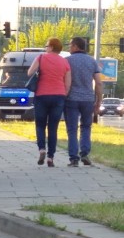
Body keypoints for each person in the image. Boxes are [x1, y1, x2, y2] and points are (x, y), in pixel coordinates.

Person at [27, 38, 71, 168]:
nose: (45, 48)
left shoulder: (41, 58)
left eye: (46, 46)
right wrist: (64, 94)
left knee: (40, 125)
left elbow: (29, 72)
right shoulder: (65, 62)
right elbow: (68, 83)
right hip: (59, 96)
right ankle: (51, 157)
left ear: (51, 47)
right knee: (53, 127)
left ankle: (42, 149)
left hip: (42, 95)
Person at [64, 37, 103, 167]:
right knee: (86, 127)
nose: (69, 48)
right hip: (88, 99)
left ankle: (74, 158)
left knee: (72, 129)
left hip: (71, 99)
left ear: (76, 46)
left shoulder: (67, 61)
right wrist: (98, 101)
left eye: (70, 45)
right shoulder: (92, 61)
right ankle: (85, 154)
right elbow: (98, 82)